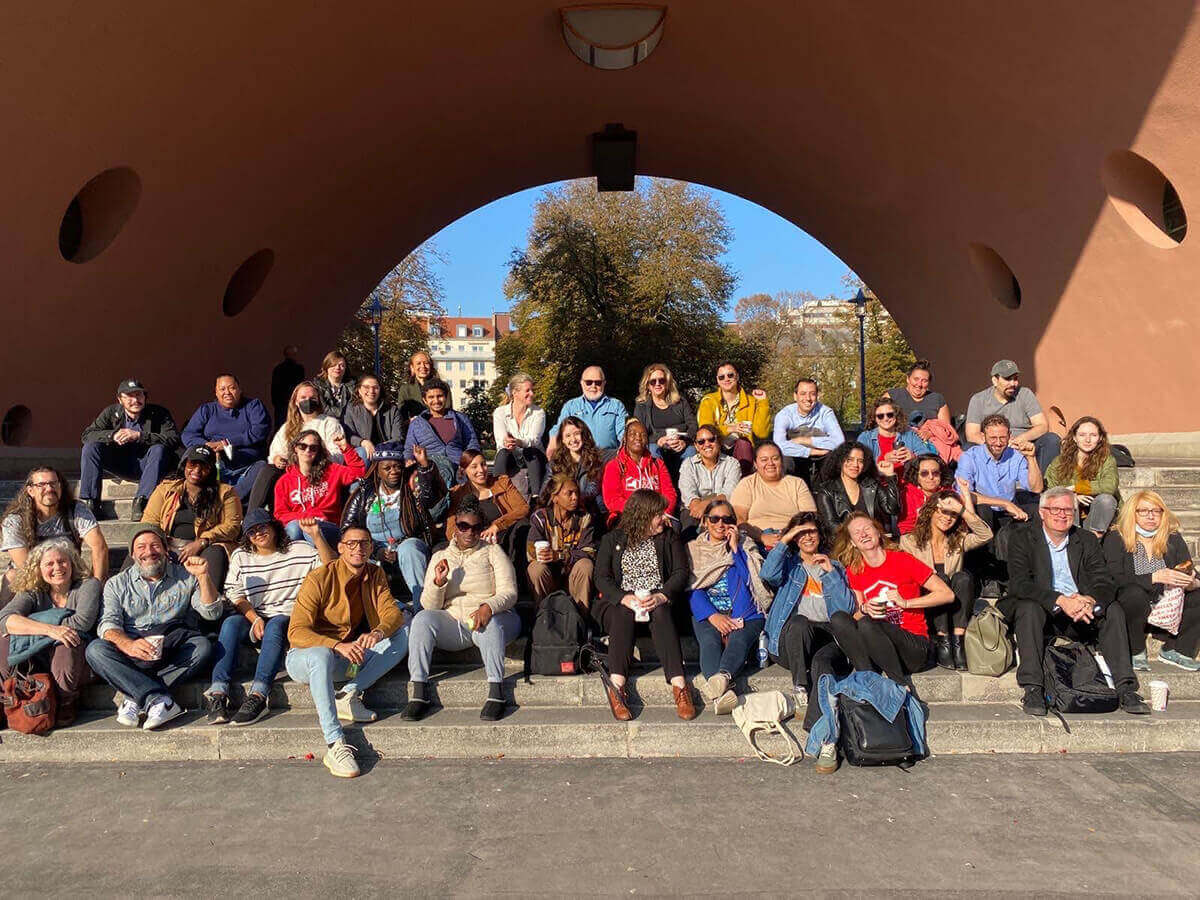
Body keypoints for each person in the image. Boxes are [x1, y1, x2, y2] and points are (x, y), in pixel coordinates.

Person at [998, 487, 1150, 716]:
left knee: (1113, 609)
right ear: (1042, 512)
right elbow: (1021, 584)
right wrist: (1060, 600)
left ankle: (1126, 688)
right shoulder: (1022, 537)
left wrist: (1090, 600)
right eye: (1055, 509)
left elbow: (1104, 579)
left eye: (1068, 510)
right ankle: (1033, 687)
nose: (1062, 515)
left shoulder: (1085, 539)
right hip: (1045, 612)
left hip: (1081, 612)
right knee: (1028, 607)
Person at [286, 524, 411, 778]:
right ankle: (334, 743)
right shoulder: (319, 578)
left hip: (347, 661)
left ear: (370, 547)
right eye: (351, 543)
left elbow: (391, 613)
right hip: (306, 659)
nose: (358, 548)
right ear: (341, 548)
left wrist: (377, 633)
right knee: (321, 655)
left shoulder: (375, 574)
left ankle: (348, 693)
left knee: (405, 634)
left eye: (364, 543)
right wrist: (336, 645)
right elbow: (296, 632)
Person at [203, 510, 335, 726]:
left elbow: (330, 569)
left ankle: (258, 695)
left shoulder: (299, 549)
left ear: (274, 527)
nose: (258, 533)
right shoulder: (241, 556)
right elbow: (235, 594)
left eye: (263, 527)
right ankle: (218, 694)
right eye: (252, 531)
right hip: (257, 615)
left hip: (290, 616)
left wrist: (317, 536)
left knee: (275, 625)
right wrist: (254, 618)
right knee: (231, 623)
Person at [84, 525, 223, 730]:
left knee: (202, 646)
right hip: (132, 649)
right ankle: (157, 699)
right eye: (141, 547)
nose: (149, 552)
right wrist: (128, 645)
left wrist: (203, 577)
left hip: (171, 646)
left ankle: (134, 695)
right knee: (95, 650)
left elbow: (212, 613)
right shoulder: (116, 584)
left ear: (166, 550)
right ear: (132, 554)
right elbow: (108, 624)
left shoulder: (186, 576)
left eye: (155, 545)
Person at [402, 498, 521, 723]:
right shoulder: (440, 556)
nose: (470, 532)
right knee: (421, 619)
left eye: (476, 527)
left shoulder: (493, 551)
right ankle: (419, 691)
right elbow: (430, 606)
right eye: (464, 526)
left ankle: (496, 692)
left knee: (491, 624)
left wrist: (489, 607)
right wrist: (439, 583)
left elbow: (510, 593)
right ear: (455, 528)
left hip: (494, 618)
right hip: (456, 621)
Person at [593, 490, 695, 721]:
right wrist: (623, 597)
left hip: (657, 601)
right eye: (658, 514)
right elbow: (601, 577)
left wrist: (662, 595)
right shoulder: (613, 539)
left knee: (660, 611)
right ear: (643, 515)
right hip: (622, 604)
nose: (664, 518)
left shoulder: (668, 537)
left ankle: (680, 685)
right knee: (622, 612)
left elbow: (680, 572)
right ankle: (617, 685)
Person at [834, 513, 954, 686]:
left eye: (867, 528)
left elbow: (946, 594)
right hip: (879, 648)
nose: (863, 534)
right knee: (841, 618)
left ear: (878, 532)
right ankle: (868, 679)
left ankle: (900, 686)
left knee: (869, 624)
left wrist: (906, 603)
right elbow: (856, 619)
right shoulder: (854, 570)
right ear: (852, 542)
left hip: (914, 648)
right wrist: (865, 609)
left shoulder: (903, 560)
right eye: (856, 532)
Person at [0, 538, 100, 726]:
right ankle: (7, 693)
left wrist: (30, 624)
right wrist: (51, 630)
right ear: (39, 568)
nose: (57, 567)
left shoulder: (88, 585)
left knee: (68, 640)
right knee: (4, 638)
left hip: (79, 659)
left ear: (72, 563)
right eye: (49, 563)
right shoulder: (33, 591)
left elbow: (81, 622)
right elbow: (5, 619)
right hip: (37, 657)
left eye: (62, 561)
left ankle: (66, 700)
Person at [687, 500, 772, 714]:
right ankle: (722, 696)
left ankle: (722, 678)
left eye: (727, 519)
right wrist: (713, 616)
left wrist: (735, 550)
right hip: (709, 612)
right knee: (709, 641)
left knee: (739, 639)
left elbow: (753, 583)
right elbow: (691, 588)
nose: (720, 524)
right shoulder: (693, 549)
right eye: (714, 519)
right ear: (705, 522)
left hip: (747, 613)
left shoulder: (746, 546)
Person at [1104, 490, 1200, 672]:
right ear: (1132, 512)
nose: (1151, 516)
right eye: (1144, 511)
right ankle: (1136, 650)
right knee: (1134, 593)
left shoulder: (1173, 538)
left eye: (1156, 511)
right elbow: (1114, 578)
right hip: (1132, 606)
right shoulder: (1117, 538)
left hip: (1166, 605)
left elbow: (1191, 571)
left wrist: (1191, 583)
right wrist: (1154, 577)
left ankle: (1177, 650)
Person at [341, 443, 448, 605]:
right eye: (387, 468)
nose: (394, 472)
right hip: (373, 549)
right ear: (377, 469)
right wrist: (375, 550)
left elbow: (430, 497)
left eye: (397, 467)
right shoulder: (365, 493)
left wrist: (424, 465)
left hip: (407, 544)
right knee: (357, 558)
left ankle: (422, 606)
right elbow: (348, 526)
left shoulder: (411, 488)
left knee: (409, 548)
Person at [899, 491, 993, 669]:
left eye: (953, 514)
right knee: (939, 578)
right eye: (943, 511)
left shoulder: (957, 540)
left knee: (963, 577)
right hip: (929, 603)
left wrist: (962, 509)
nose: (948, 518)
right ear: (931, 511)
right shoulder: (909, 541)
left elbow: (985, 535)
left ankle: (958, 642)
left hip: (955, 605)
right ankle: (942, 640)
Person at [141, 445, 243, 591]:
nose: (196, 471)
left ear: (211, 470)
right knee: (140, 549)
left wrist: (202, 541)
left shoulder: (226, 492)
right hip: (169, 543)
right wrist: (161, 545)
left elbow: (232, 526)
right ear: (185, 465)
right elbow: (149, 521)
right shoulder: (166, 488)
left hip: (206, 545)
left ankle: (208, 603)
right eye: (192, 464)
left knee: (215, 553)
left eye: (204, 467)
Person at [80, 378, 180, 521]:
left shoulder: (159, 413)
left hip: (149, 465)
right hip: (120, 463)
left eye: (139, 395)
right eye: (129, 396)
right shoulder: (111, 413)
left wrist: (139, 436)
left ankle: (141, 502)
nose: (135, 400)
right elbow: (87, 435)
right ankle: (91, 502)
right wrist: (112, 435)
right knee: (90, 447)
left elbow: (174, 439)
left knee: (159, 449)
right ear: (120, 400)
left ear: (145, 397)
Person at [248, 380, 348, 510]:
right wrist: (277, 459)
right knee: (268, 470)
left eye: (312, 398)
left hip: (318, 471)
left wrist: (311, 459)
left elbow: (337, 454)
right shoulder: (288, 427)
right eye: (303, 398)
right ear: (295, 401)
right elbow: (276, 451)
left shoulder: (329, 423)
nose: (308, 401)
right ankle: (252, 519)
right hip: (291, 472)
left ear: (318, 400)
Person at [1, 466, 107, 583]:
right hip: (31, 580)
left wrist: (96, 584)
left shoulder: (76, 510)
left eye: (53, 483)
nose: (49, 488)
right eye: (41, 485)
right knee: (11, 576)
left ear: (60, 486)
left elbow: (99, 547)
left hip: (67, 574)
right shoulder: (14, 520)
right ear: (30, 491)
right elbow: (24, 565)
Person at [180, 373, 272, 502]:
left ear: (240, 390)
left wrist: (227, 443)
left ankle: (229, 503)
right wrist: (207, 447)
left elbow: (260, 431)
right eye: (222, 389)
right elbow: (188, 434)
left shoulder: (253, 406)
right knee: (190, 454)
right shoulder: (207, 409)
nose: (227, 392)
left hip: (246, 462)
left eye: (232, 388)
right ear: (216, 393)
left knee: (263, 467)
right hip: (214, 462)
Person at [955, 414, 1044, 539]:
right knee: (983, 510)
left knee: (1038, 510)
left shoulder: (1016, 456)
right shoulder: (969, 457)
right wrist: (1004, 503)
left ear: (1009, 436)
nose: (998, 443)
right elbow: (963, 495)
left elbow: (1036, 489)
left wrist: (1031, 458)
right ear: (983, 436)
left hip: (1009, 511)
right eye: (993, 438)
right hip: (985, 511)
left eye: (1002, 438)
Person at [964, 359, 1061, 474]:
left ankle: (1042, 484)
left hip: (1023, 444)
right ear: (995, 380)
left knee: (1051, 439)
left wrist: (1020, 440)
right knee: (968, 447)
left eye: (1015, 379)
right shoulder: (979, 400)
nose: (1013, 383)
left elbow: (1042, 426)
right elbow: (972, 434)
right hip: (993, 446)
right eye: (1007, 379)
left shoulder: (1025, 394)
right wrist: (998, 444)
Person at [273, 429, 366, 546]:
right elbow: (280, 514)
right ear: (295, 448)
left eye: (313, 448)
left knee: (311, 531)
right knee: (293, 528)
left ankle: (325, 560)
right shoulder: (284, 481)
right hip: (299, 525)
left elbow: (358, 472)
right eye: (302, 446)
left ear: (318, 451)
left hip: (329, 525)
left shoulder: (331, 470)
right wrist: (306, 517)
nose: (307, 450)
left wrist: (345, 448)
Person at [526, 474, 597, 613]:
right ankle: (543, 617)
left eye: (576, 492)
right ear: (555, 497)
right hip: (550, 577)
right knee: (535, 568)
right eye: (569, 493)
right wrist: (546, 556)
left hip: (573, 578)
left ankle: (581, 619)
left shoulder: (584, 518)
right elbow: (531, 551)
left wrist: (560, 555)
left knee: (585, 565)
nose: (575, 497)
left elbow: (589, 551)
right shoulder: (540, 518)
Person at [732, 441, 816, 550]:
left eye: (775, 458)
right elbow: (740, 520)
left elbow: (810, 517)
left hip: (793, 539)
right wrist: (761, 537)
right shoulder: (747, 484)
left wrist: (787, 536)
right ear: (755, 464)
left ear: (782, 461)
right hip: (757, 540)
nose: (770, 463)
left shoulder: (796, 483)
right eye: (764, 460)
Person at [445, 449, 530, 555]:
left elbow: (523, 508)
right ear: (464, 470)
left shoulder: (502, 483)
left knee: (523, 525)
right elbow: (451, 529)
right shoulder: (457, 494)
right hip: (474, 542)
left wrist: (497, 526)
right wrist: (472, 536)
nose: (481, 470)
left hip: (504, 536)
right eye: (474, 466)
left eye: (483, 464)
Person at [1045, 416, 1119, 537]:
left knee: (1106, 499)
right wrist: (1073, 496)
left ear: (1100, 438)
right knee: (1069, 500)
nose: (1087, 440)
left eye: (1093, 435)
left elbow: (1110, 486)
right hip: (1070, 516)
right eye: (1082, 435)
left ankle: (1095, 541)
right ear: (1074, 437)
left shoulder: (1107, 460)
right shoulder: (1059, 462)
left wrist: (1075, 488)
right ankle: (1072, 539)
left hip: (1098, 516)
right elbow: (1050, 490)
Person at [696, 361, 770, 473]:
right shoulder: (709, 401)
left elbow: (762, 433)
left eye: (730, 375)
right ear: (717, 380)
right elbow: (706, 431)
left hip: (741, 449)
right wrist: (731, 428)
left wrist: (763, 403)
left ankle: (744, 485)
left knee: (744, 443)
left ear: (737, 376)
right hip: (716, 447)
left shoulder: (751, 401)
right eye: (721, 377)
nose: (726, 379)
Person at [600, 419, 677, 524]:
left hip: (658, 516)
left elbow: (669, 494)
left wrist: (663, 513)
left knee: (674, 528)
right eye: (633, 434)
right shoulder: (614, 465)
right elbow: (612, 500)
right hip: (627, 516)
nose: (638, 438)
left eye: (643, 435)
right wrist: (641, 514)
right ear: (625, 438)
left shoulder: (658, 464)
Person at [772, 377, 845, 483]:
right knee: (784, 460)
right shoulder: (784, 415)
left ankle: (828, 495)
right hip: (796, 457)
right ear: (795, 396)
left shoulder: (825, 412)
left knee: (834, 459)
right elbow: (779, 445)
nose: (808, 398)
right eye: (803, 393)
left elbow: (839, 441)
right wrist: (811, 452)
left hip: (822, 458)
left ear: (817, 396)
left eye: (812, 394)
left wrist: (804, 440)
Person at [814, 441, 899, 530]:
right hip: (844, 541)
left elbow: (892, 509)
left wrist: (890, 476)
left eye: (860, 461)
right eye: (849, 460)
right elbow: (832, 526)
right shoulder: (826, 490)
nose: (855, 465)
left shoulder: (872, 485)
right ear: (840, 461)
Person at [546, 366, 628, 457]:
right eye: (588, 382)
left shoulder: (616, 405)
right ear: (582, 383)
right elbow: (560, 428)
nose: (593, 386)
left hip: (608, 456)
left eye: (598, 383)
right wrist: (553, 442)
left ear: (604, 383)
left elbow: (624, 433)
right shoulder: (571, 406)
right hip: (580, 456)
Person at [632, 363, 695, 479]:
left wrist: (684, 441)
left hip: (680, 446)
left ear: (667, 382)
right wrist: (659, 440)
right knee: (652, 451)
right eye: (653, 381)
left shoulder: (680, 402)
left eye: (661, 380)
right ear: (648, 385)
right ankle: (659, 492)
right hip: (656, 447)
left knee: (691, 451)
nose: (657, 384)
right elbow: (639, 434)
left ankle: (687, 493)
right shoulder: (641, 406)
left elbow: (693, 426)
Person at [678, 424, 743, 535]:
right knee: (688, 520)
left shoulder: (732, 464)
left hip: (723, 509)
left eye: (711, 440)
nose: (707, 444)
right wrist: (700, 507)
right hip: (695, 510)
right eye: (701, 442)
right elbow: (689, 496)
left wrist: (706, 504)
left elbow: (728, 494)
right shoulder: (688, 464)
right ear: (696, 446)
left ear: (719, 441)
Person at [491, 372, 547, 498]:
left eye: (532, 390)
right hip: (512, 455)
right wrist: (508, 443)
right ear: (515, 393)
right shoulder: (500, 413)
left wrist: (518, 442)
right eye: (527, 390)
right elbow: (500, 440)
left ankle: (536, 497)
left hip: (534, 457)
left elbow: (534, 440)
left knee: (530, 451)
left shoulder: (539, 413)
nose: (532, 394)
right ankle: (496, 494)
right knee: (502, 453)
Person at [403, 378, 480, 468]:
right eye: (431, 397)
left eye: (440, 396)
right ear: (425, 400)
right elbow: (409, 449)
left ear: (446, 397)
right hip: (430, 470)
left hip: (459, 469)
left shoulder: (460, 418)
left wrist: (469, 463)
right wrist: (409, 460)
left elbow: (472, 443)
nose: (436, 401)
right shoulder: (416, 424)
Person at [547, 416, 607, 518]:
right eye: (568, 436)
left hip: (590, 510)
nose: (573, 439)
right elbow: (547, 489)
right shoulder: (555, 463)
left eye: (576, 434)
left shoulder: (595, 459)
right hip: (562, 511)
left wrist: (572, 498)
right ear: (563, 440)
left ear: (583, 435)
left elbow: (592, 489)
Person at [343, 373, 405, 464]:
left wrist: (379, 448)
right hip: (362, 450)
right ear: (359, 390)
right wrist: (363, 442)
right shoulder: (351, 410)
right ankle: (361, 478)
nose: (371, 391)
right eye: (366, 387)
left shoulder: (392, 410)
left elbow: (398, 437)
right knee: (363, 453)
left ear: (380, 390)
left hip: (387, 450)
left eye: (375, 387)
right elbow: (348, 435)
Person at [856, 397, 936, 468]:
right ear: (875, 418)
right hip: (878, 483)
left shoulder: (909, 435)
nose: (886, 418)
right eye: (880, 416)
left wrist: (913, 457)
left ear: (896, 415)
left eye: (890, 415)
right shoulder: (866, 438)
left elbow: (928, 459)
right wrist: (883, 459)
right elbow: (859, 466)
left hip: (907, 481)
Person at [897, 453, 952, 535]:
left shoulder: (949, 493)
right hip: (916, 538)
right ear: (916, 476)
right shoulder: (908, 494)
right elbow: (906, 528)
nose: (931, 477)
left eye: (935, 473)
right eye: (924, 473)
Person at [886, 359, 951, 426]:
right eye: (916, 379)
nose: (919, 384)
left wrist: (929, 431)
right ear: (908, 379)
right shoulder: (892, 396)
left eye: (924, 381)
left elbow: (946, 429)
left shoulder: (937, 399)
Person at [395, 350, 453, 422]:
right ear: (412, 368)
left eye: (426, 363)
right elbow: (401, 416)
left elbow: (448, 411)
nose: (423, 366)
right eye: (418, 363)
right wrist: (410, 421)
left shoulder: (443, 386)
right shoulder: (405, 389)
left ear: (431, 366)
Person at [270, 344, 305, 432]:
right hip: (290, 402)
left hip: (282, 403)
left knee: (282, 427)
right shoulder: (298, 369)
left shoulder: (278, 368)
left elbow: (274, 388)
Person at [314, 350, 355, 422]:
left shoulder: (353, 386)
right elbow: (324, 409)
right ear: (326, 366)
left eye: (341, 365)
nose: (337, 368)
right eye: (333, 365)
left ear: (345, 368)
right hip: (324, 424)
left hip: (349, 425)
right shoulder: (317, 386)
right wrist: (344, 414)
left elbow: (354, 410)